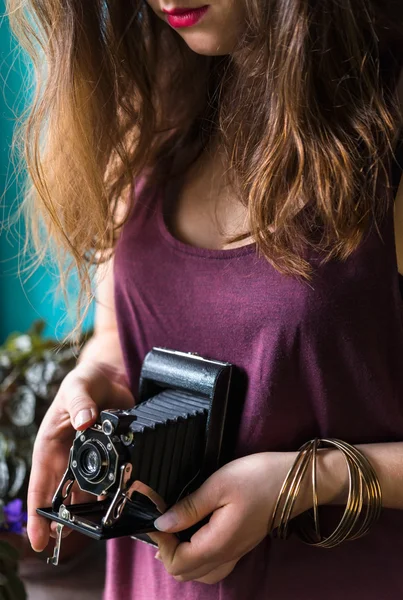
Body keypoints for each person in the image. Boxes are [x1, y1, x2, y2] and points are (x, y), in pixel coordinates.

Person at [6, 0, 403, 598]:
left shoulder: (387, 126)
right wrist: (95, 375)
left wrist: (308, 481)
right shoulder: (147, 99)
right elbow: (120, 333)